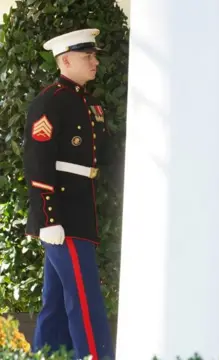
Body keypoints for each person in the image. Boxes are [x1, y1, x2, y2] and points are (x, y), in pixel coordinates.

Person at [23, 28, 114, 359]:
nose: (94, 62)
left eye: (94, 56)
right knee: (85, 300)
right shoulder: (50, 102)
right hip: (62, 214)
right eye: (87, 56)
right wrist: (48, 218)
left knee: (58, 300)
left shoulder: (91, 105)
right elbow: (38, 162)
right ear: (66, 60)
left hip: (81, 208)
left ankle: (47, 355)